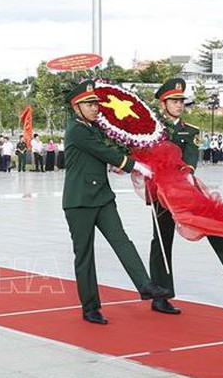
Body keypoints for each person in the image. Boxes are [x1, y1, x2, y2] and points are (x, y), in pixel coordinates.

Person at [147, 79, 223, 316]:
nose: (179, 105)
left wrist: (187, 173)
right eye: (174, 101)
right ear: (163, 104)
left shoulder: (189, 129)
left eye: (181, 101)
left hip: (184, 186)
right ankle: (161, 295)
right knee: (162, 241)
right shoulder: (151, 129)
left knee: (210, 218)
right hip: (161, 190)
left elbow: (191, 154)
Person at [62, 80, 169, 325]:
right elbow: (104, 151)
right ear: (76, 107)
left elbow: (101, 155)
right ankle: (90, 307)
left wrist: (116, 164)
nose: (95, 108)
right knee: (84, 255)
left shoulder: (92, 128)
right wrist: (133, 165)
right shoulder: (76, 130)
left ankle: (145, 285)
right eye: (88, 104)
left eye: (95, 103)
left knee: (122, 240)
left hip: (102, 197)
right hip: (79, 202)